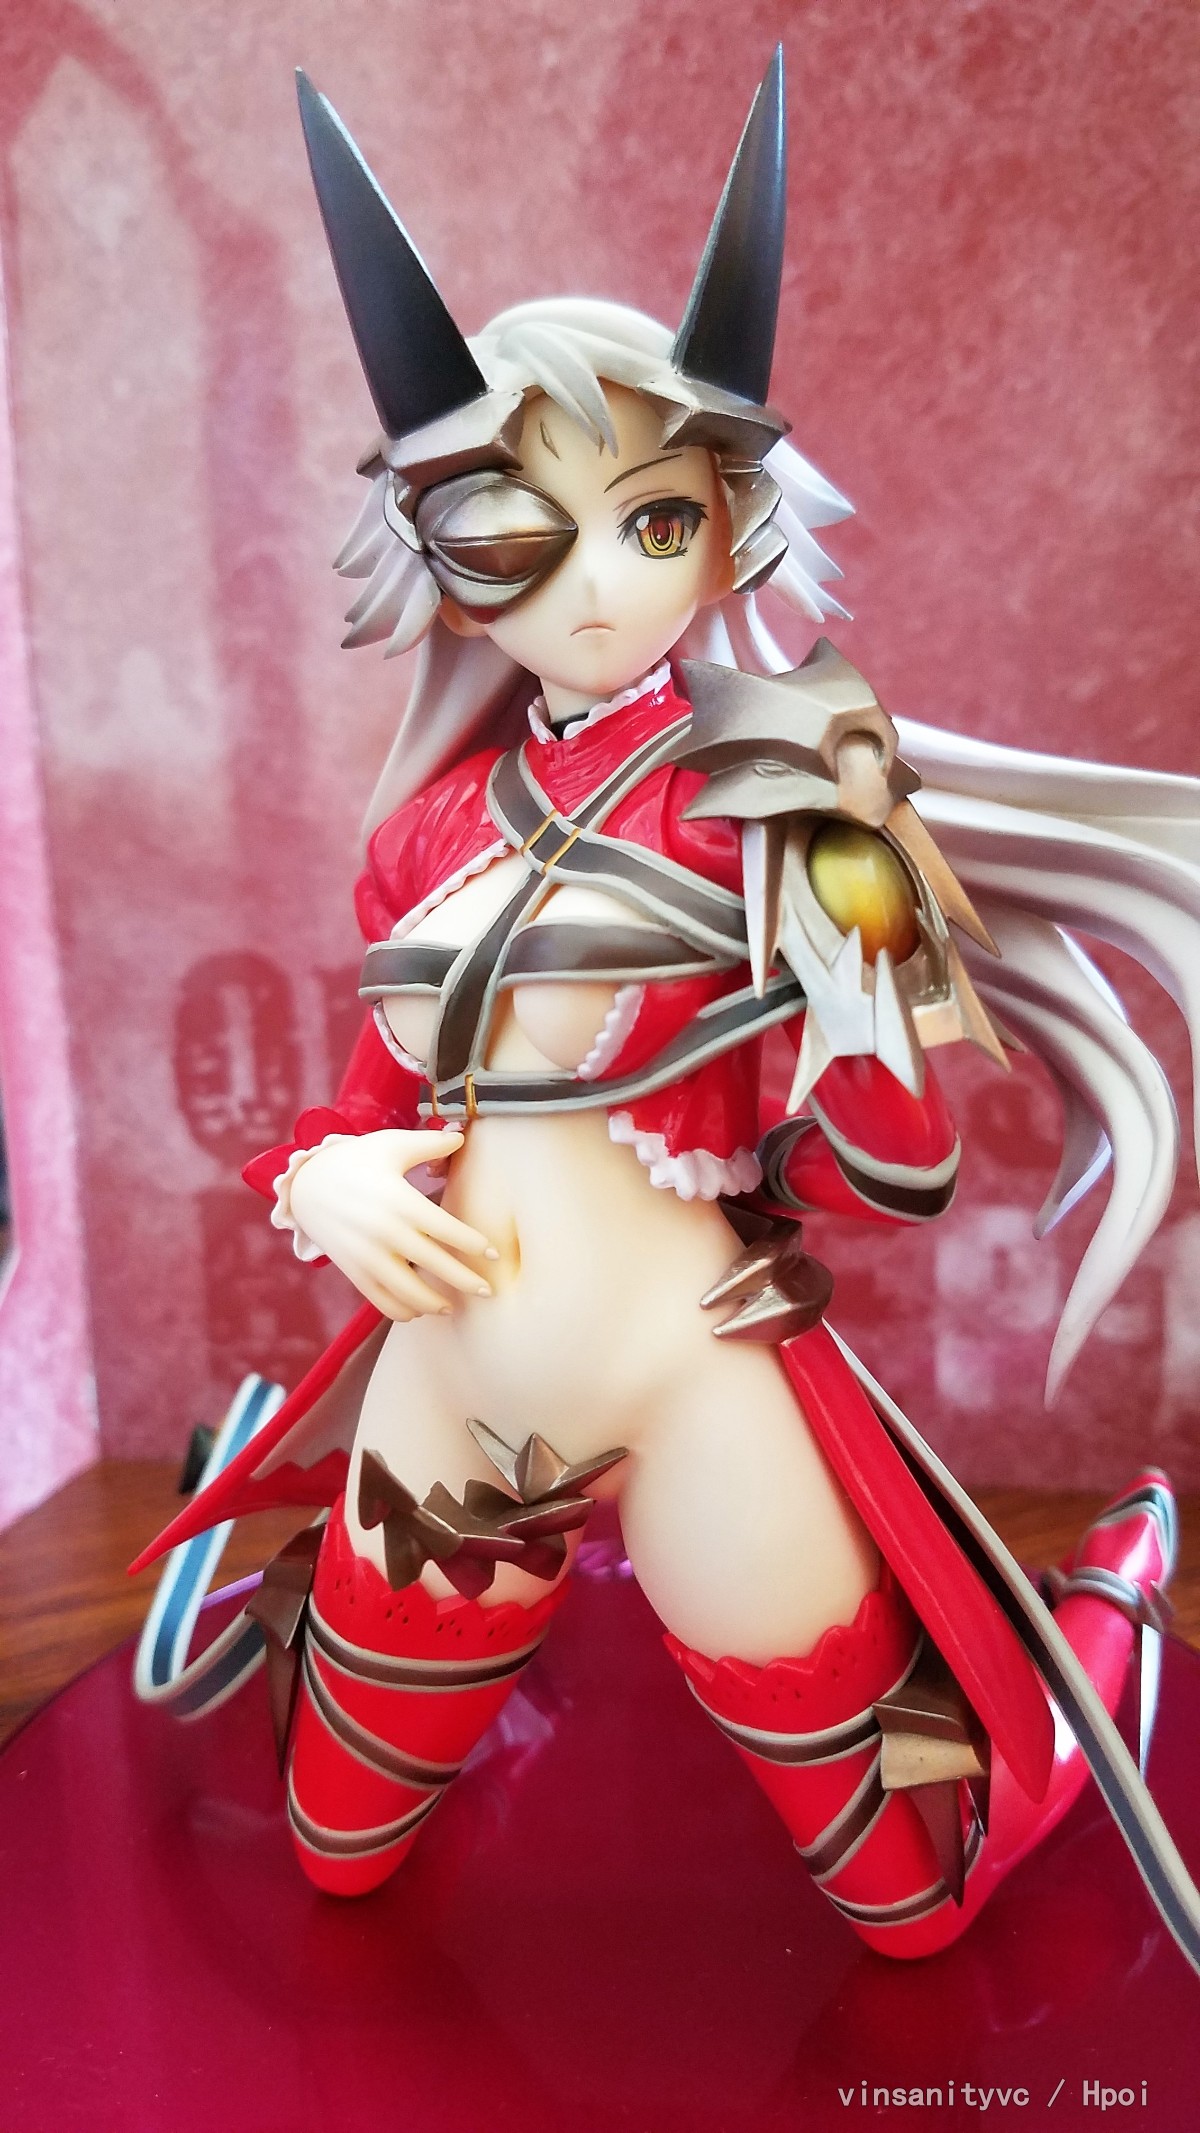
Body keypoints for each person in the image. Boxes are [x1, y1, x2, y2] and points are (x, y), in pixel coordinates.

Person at [136, 56, 1200, 1971]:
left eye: (651, 521)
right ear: (440, 551)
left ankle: (1099, 1629)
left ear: (728, 527)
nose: (594, 588)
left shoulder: (779, 785)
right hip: (464, 1384)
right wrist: (329, 1185)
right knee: (335, 1849)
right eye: (513, 530)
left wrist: (864, 990)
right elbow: (364, 1101)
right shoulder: (430, 831)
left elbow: (892, 1170)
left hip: (710, 1384)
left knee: (909, 1907)